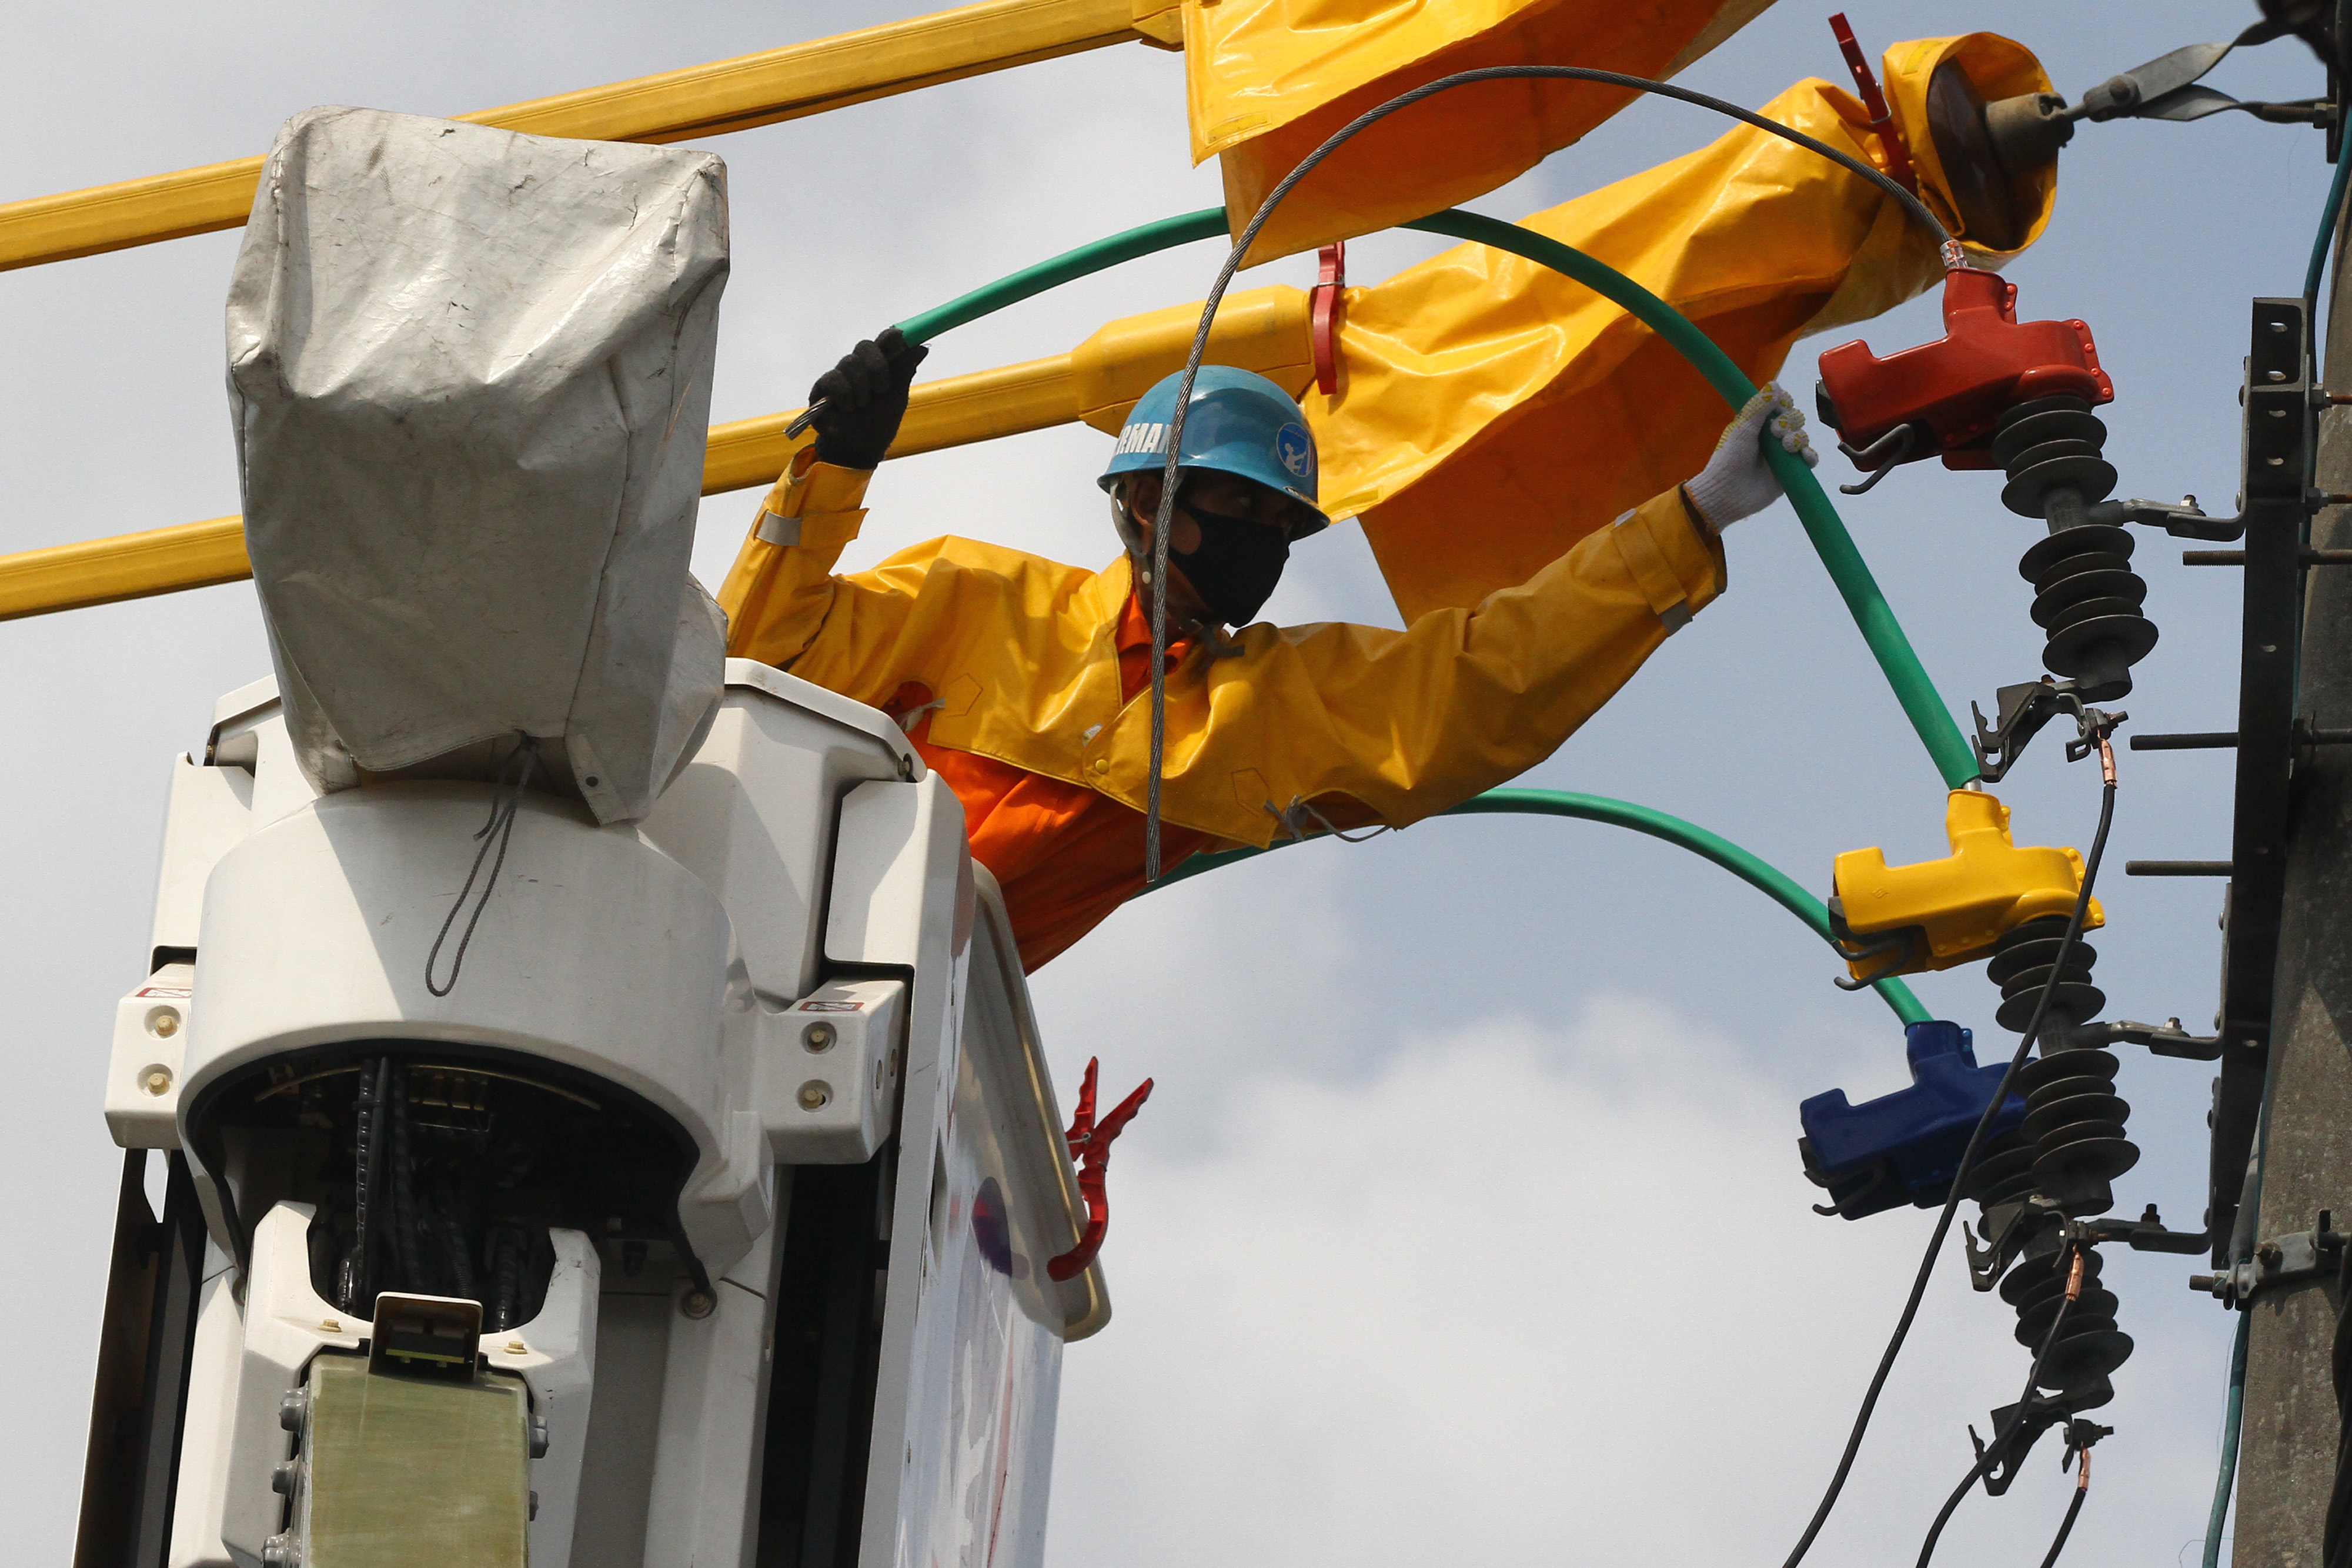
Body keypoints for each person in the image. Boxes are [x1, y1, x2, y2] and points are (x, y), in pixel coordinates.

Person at [718, 329, 1813, 971]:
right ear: (1145, 502)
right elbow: (749, 666)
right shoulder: (972, 601)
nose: (1258, 542)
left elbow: (1483, 683)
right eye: (1233, 505)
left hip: (904, 1037)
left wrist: (1697, 516)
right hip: (733, 935)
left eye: (1278, 524)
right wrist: (832, 473)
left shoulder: (1268, 713)